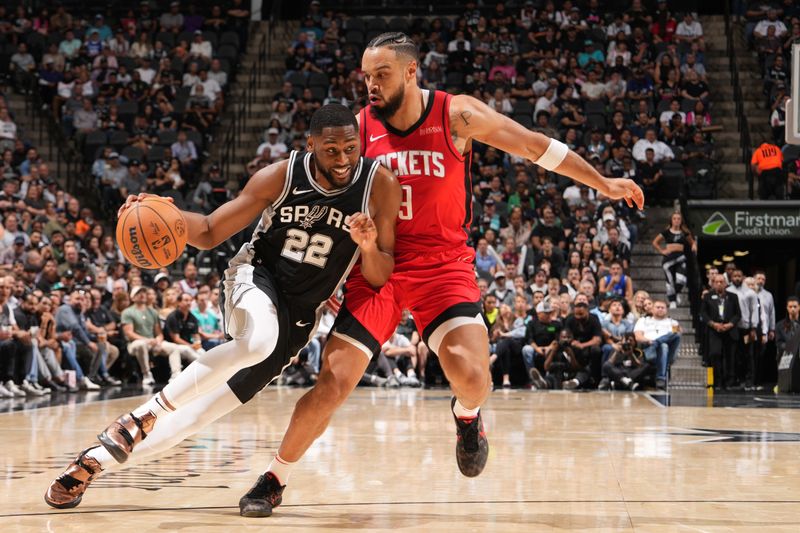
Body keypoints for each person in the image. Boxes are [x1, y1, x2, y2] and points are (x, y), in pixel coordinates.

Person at [238, 32, 643, 517]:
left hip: (443, 267)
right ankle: (275, 476)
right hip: (377, 268)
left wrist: (602, 182)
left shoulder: (456, 114)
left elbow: (534, 146)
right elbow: (322, 201)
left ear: (412, 71)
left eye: (381, 75)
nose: (370, 85)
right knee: (333, 381)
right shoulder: (357, 130)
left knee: (473, 379)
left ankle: (467, 415)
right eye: (366, 76)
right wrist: (328, 273)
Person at [45, 104, 401, 509]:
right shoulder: (282, 176)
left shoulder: (380, 185)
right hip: (255, 279)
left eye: (350, 149)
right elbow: (213, 230)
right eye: (331, 150)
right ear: (311, 145)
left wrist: (368, 246)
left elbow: (378, 274)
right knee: (258, 340)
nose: (342, 160)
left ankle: (90, 464)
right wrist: (170, 216)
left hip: (299, 317)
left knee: (194, 420)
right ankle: (142, 414)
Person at [700, 274, 741, 390]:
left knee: (730, 356)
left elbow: (738, 314)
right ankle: (717, 381)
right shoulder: (708, 296)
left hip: (730, 329)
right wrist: (713, 324)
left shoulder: (733, 296)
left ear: (726, 284)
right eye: (716, 282)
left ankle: (729, 382)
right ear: (713, 284)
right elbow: (703, 313)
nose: (719, 284)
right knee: (715, 354)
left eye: (721, 282)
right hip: (714, 330)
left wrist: (729, 324)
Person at [651, 212, 696, 309]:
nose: (676, 220)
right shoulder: (666, 232)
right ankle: (672, 300)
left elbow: (692, 242)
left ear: (681, 221)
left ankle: (677, 292)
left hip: (680, 258)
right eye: (674, 218)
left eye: (678, 219)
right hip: (668, 259)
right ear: (671, 220)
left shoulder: (685, 232)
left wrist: (694, 246)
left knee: (681, 279)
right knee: (670, 280)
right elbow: (655, 242)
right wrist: (661, 251)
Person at [633, 300, 681, 390]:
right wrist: (649, 341)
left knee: (674, 336)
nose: (660, 309)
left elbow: (677, 335)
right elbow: (638, 337)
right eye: (657, 307)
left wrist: (656, 342)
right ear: (652, 309)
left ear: (666, 310)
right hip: (650, 349)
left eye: (662, 308)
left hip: (669, 352)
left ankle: (657, 342)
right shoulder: (643, 320)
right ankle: (661, 378)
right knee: (663, 346)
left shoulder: (673, 322)